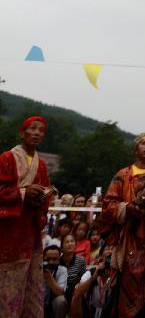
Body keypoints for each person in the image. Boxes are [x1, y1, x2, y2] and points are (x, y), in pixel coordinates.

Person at [96, 132, 145, 317]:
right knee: (121, 286)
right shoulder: (122, 175)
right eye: (143, 143)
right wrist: (128, 208)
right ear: (135, 148)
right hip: (126, 237)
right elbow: (108, 205)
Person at [0, 115, 54, 317]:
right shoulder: (6, 158)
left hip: (29, 232)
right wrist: (23, 193)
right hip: (6, 232)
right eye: (33, 128)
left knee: (28, 283)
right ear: (22, 133)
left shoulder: (42, 166)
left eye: (41, 130)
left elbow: (45, 201)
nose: (37, 133)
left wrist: (41, 199)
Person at [71, 245, 116, 318]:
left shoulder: (119, 276)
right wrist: (95, 274)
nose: (110, 251)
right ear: (100, 258)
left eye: (113, 249)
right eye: (107, 249)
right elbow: (77, 293)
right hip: (89, 310)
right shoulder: (91, 272)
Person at [60, 232, 86, 306]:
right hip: (60, 292)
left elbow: (83, 279)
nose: (70, 244)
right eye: (67, 242)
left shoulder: (81, 260)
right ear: (61, 247)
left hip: (75, 293)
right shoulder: (58, 261)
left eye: (72, 241)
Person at [43, 244, 69, 317]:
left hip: (53, 302)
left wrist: (49, 278)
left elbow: (60, 292)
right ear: (43, 258)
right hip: (39, 301)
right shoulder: (37, 269)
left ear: (59, 259)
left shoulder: (62, 270)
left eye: (55, 259)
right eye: (48, 259)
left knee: (61, 301)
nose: (51, 262)